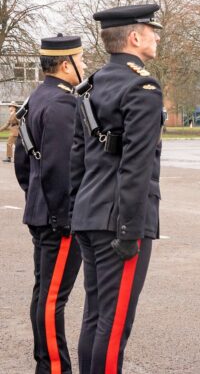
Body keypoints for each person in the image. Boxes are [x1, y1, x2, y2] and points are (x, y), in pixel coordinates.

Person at [70, 4, 164, 374]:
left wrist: (79, 208)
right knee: (114, 325)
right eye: (151, 30)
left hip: (90, 214)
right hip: (119, 222)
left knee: (95, 317)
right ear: (134, 37)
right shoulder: (142, 86)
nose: (156, 36)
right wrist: (129, 230)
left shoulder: (92, 83)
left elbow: (79, 157)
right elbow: (136, 166)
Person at [14, 34, 85, 374]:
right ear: (64, 63)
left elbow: (22, 163)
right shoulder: (61, 105)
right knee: (53, 298)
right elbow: (61, 168)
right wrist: (64, 216)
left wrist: (35, 197)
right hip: (59, 218)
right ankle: (54, 368)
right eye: (80, 60)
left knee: (44, 293)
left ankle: (46, 363)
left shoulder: (37, 98)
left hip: (42, 211)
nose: (84, 66)